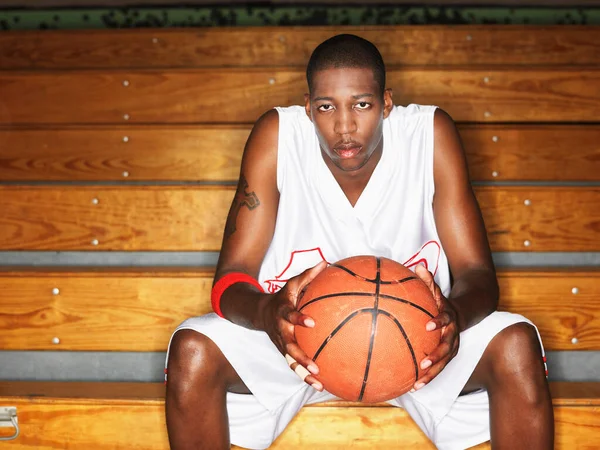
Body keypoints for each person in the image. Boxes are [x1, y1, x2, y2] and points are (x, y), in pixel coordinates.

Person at [164, 34, 553, 450]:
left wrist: (452, 318)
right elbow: (228, 280)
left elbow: (478, 274)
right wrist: (266, 312)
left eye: (362, 105)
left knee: (515, 342)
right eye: (326, 107)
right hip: (297, 343)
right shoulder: (278, 136)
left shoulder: (429, 134)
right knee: (192, 348)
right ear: (309, 106)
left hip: (416, 342)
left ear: (386, 104)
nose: (344, 127)